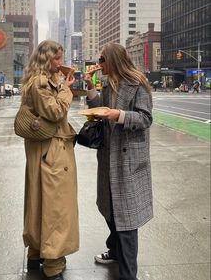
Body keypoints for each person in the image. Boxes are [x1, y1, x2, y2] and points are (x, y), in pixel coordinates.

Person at [83, 43, 153, 280]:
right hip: (108, 155)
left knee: (126, 218)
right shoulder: (109, 83)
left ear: (113, 60)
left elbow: (145, 118)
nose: (99, 64)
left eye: (102, 60)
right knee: (110, 210)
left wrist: (118, 115)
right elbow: (98, 109)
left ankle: (127, 274)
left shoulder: (138, 83)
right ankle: (114, 250)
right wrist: (91, 87)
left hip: (128, 158)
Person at [21, 40, 79, 280]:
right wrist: (66, 88)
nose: (60, 63)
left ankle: (36, 253)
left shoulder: (36, 81)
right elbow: (55, 112)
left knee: (39, 203)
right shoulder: (41, 83)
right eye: (56, 59)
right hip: (52, 151)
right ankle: (53, 262)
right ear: (46, 59)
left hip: (42, 151)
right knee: (56, 208)